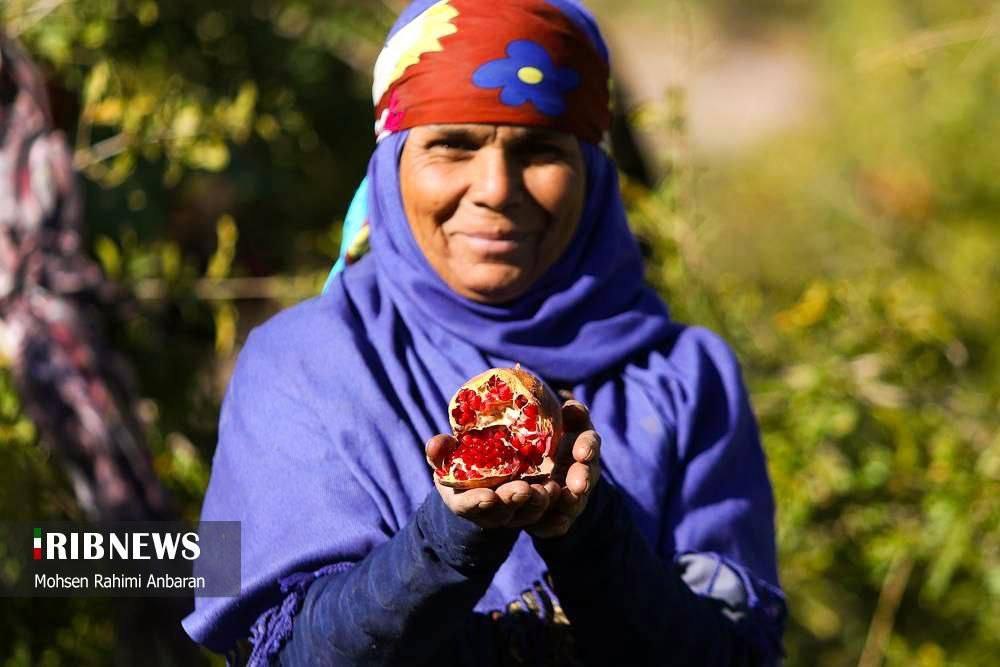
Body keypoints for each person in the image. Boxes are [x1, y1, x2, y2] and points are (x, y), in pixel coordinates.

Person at [181, 1, 787, 665]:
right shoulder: (295, 363)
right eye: (452, 145)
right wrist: (448, 538)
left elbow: (732, 653)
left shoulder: (687, 375)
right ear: (391, 164)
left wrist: (587, 531)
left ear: (593, 169)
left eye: (540, 150)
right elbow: (283, 652)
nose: (496, 188)